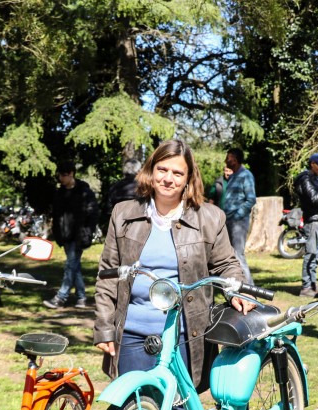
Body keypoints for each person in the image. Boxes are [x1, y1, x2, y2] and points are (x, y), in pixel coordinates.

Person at [94, 139, 252, 387]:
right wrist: (104, 328)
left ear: (188, 178)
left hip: (185, 334)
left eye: (178, 173)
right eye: (162, 170)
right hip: (132, 333)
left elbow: (226, 264)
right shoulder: (123, 214)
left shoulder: (210, 218)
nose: (168, 179)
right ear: (151, 170)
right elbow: (108, 276)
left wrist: (235, 291)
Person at [43, 161, 99, 309]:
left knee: (70, 266)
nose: (61, 178)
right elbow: (56, 215)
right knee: (75, 266)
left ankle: (61, 297)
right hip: (65, 236)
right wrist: (57, 233)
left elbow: (93, 214)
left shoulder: (85, 192)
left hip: (79, 236)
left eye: (64, 175)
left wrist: (88, 232)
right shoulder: (59, 193)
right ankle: (81, 298)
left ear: (71, 174)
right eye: (60, 175)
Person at [293, 153, 318, 297]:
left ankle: (313, 285)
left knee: (315, 255)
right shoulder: (305, 178)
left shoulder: (315, 179)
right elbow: (315, 199)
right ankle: (306, 287)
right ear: (312, 164)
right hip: (313, 220)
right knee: (311, 254)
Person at [221, 148, 256, 283]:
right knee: (230, 256)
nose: (226, 160)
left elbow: (251, 199)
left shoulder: (246, 175)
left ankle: (250, 289)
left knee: (238, 255)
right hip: (229, 221)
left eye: (228, 157)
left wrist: (236, 216)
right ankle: (237, 286)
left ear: (235, 159)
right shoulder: (233, 176)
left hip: (238, 222)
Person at [103, 158, 142, 225]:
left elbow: (108, 210)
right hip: (139, 226)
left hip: (118, 224)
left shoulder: (115, 187)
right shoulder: (144, 187)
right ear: (138, 171)